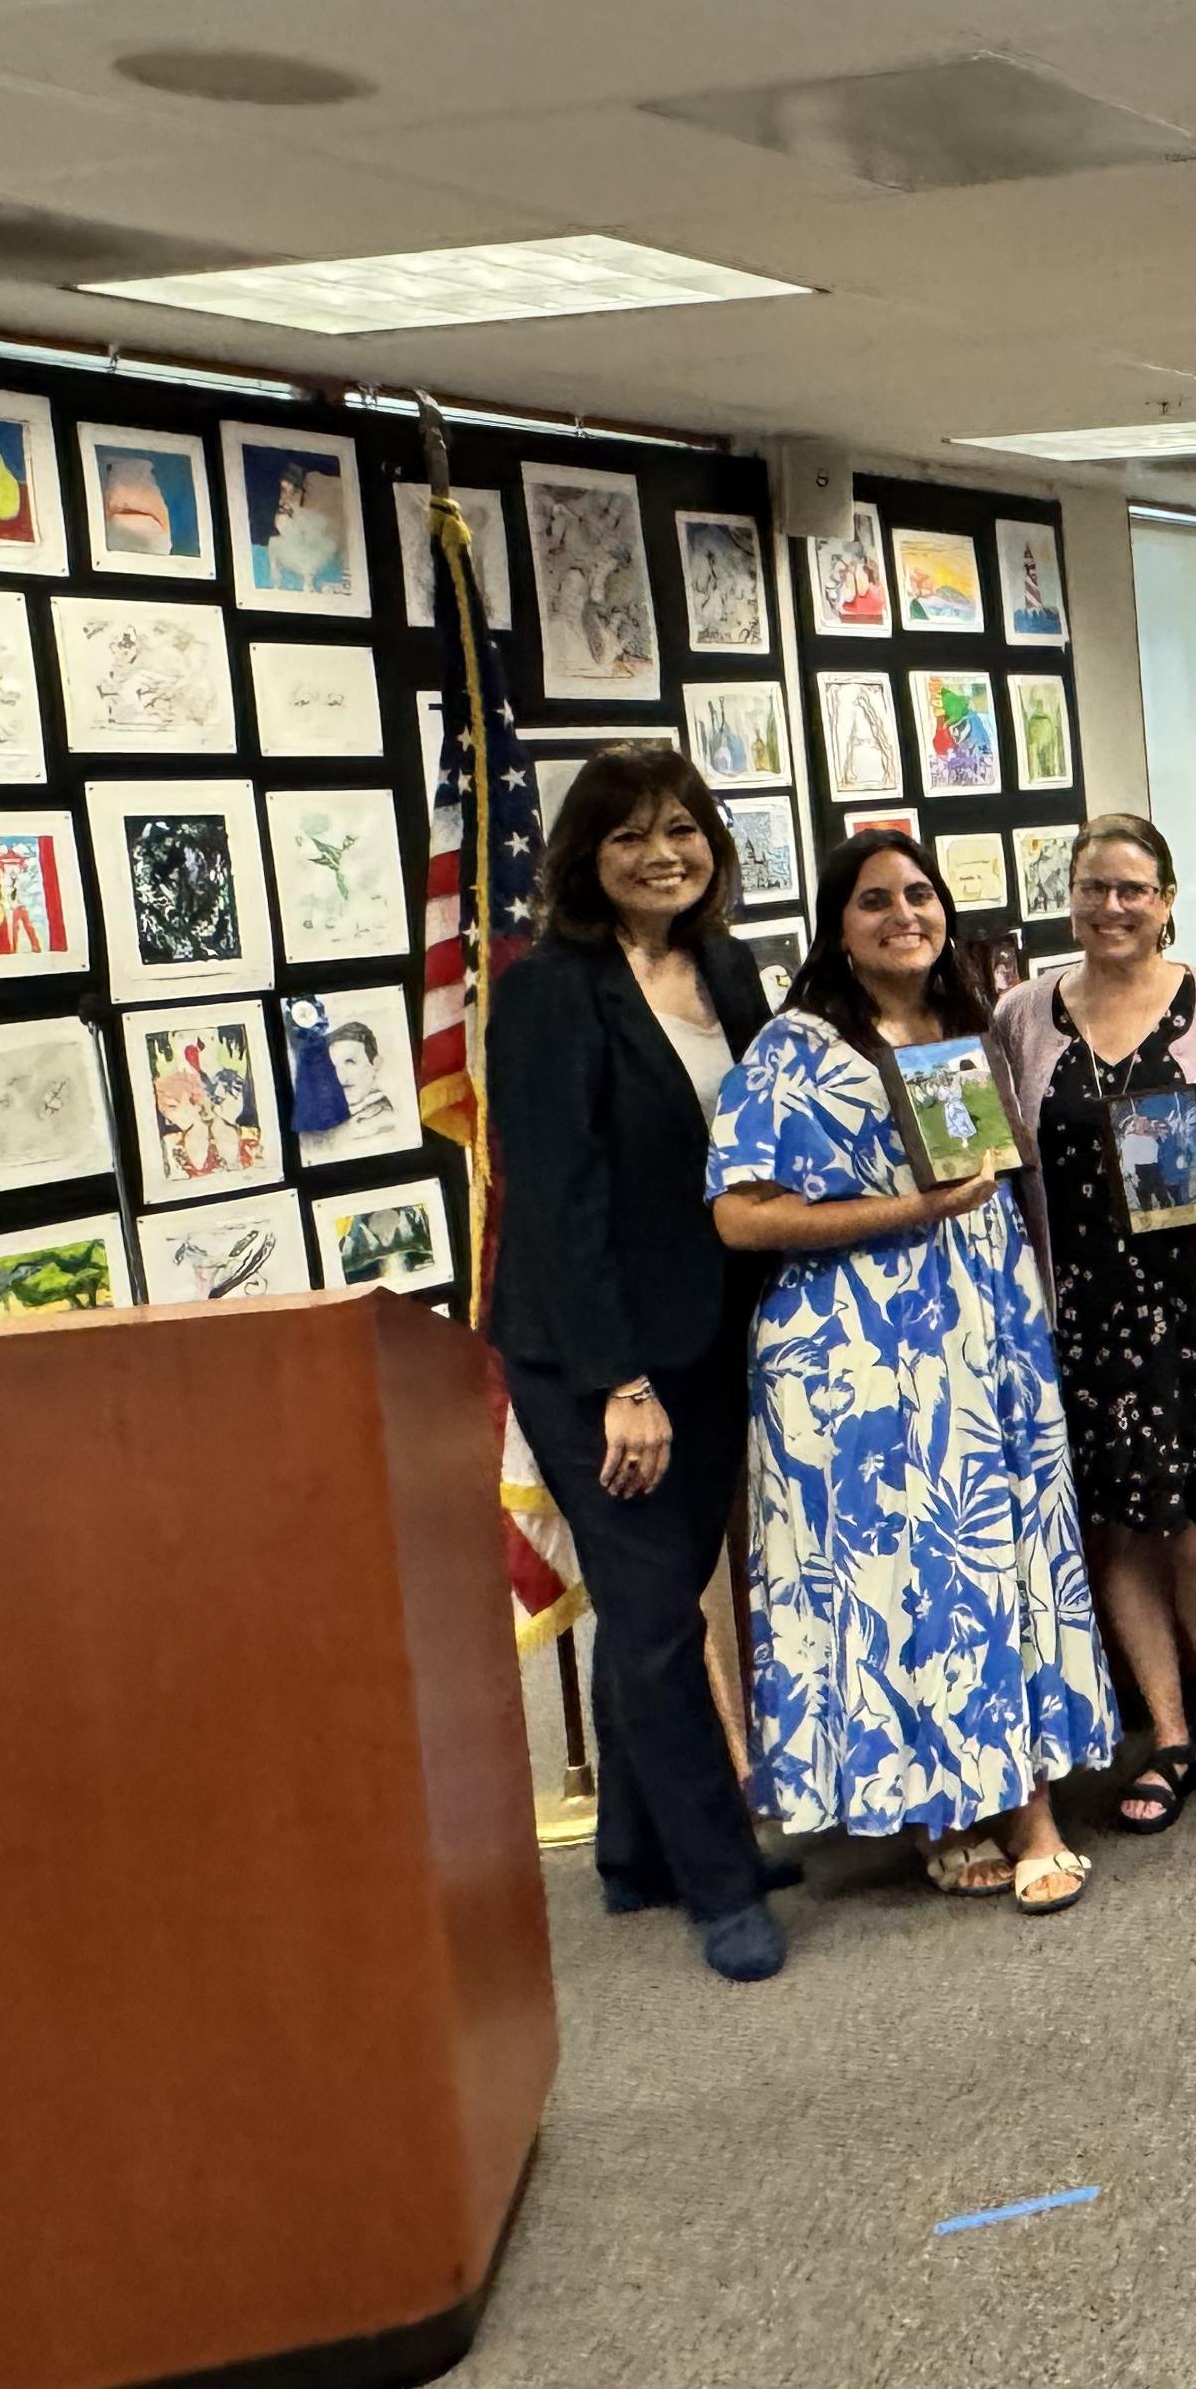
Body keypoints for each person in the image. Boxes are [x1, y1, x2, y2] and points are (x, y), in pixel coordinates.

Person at [709, 830, 1116, 1916]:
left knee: (997, 1557)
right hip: (851, 1353)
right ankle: (955, 1808)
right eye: (875, 899)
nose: (905, 914)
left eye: (921, 895)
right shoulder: (791, 1052)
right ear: (837, 926)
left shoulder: (970, 1029)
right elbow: (740, 1214)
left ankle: (1015, 1801)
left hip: (983, 1332)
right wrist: (908, 1213)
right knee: (905, 1580)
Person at [486, 744, 787, 1982]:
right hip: (596, 1357)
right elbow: (555, 1200)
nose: (663, 854)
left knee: (653, 1600)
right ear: (585, 858)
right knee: (659, 1611)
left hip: (713, 1331)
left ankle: (630, 1851)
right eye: (630, 839)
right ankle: (720, 1885)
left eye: (682, 830)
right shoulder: (552, 989)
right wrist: (621, 1384)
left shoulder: (723, 966)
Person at [987, 813, 1196, 1832]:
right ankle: (1166, 1731)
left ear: (1168, 899)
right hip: (1084, 1309)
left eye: (1134, 888)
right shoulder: (1021, 1015)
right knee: (1124, 1525)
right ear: (1070, 898)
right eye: (1094, 887)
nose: (1113, 907)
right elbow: (1002, 1159)